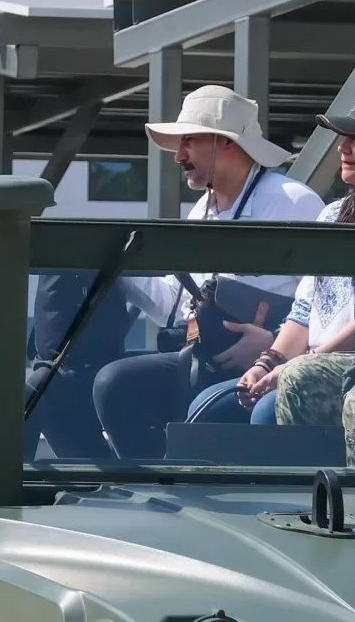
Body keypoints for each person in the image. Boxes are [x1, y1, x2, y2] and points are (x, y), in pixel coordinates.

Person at [87, 85, 326, 460]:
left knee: (167, 398)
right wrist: (113, 258)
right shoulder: (202, 208)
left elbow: (327, 298)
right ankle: (153, 488)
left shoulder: (293, 202)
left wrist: (271, 345)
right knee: (112, 384)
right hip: (202, 357)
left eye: (189, 142)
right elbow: (177, 305)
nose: (178, 156)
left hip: (270, 368)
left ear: (226, 143)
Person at [214, 90, 355, 450]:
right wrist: (267, 364)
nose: (343, 148)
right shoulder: (332, 214)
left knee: (266, 411)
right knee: (213, 408)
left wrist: (302, 366)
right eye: (343, 139)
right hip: (311, 361)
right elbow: (303, 310)